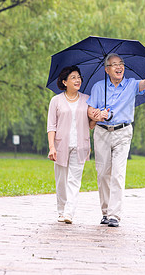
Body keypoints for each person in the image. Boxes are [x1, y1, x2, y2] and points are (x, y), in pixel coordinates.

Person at [87, 53, 145, 227]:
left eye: (121, 63)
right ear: (107, 70)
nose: (119, 67)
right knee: (103, 173)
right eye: (114, 65)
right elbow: (90, 110)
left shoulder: (131, 84)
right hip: (102, 133)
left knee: (118, 173)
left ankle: (115, 215)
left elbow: (144, 83)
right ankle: (105, 212)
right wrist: (99, 114)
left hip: (123, 132)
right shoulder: (99, 87)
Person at [47, 65, 100, 224]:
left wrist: (96, 118)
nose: (77, 80)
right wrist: (51, 147)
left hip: (81, 145)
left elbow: (90, 125)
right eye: (73, 78)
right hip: (61, 146)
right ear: (64, 82)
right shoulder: (56, 101)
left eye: (79, 77)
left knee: (74, 180)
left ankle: (69, 212)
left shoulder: (87, 99)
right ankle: (61, 210)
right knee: (61, 180)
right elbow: (51, 126)